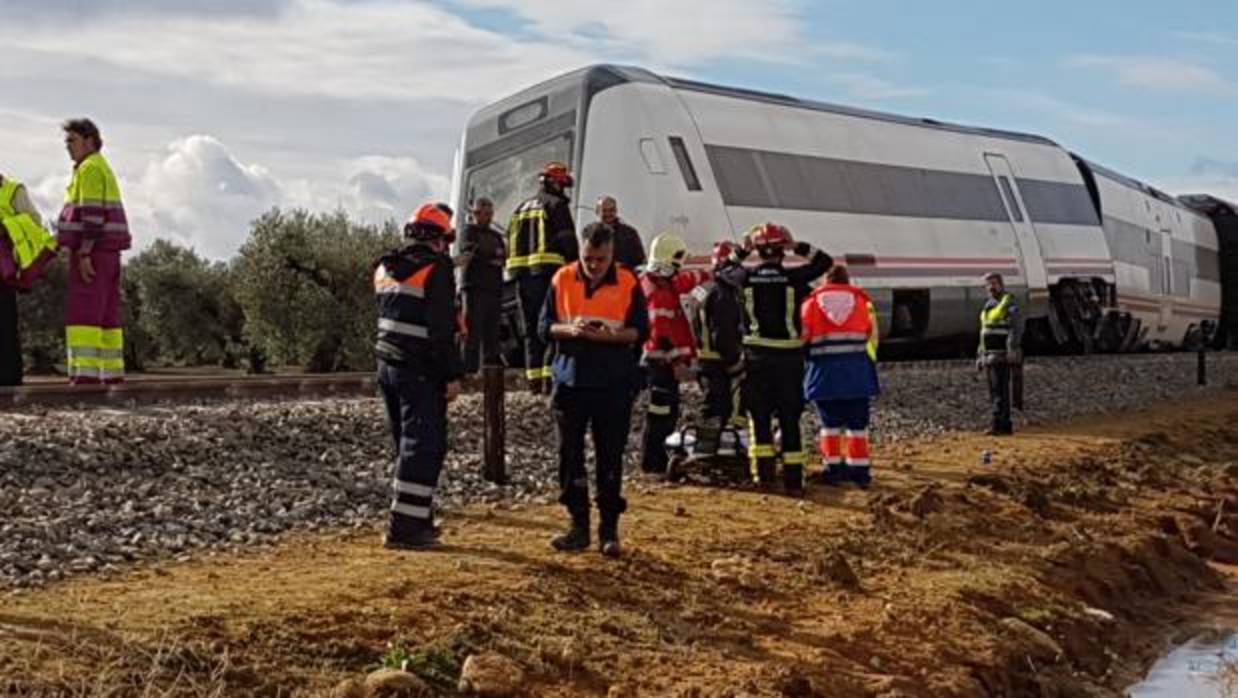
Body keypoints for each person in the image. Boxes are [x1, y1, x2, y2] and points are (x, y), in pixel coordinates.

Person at [539, 222, 648, 557]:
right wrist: (571, 330)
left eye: (600, 259)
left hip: (613, 382)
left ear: (612, 253)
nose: (594, 265)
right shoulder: (562, 278)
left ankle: (609, 531)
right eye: (588, 258)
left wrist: (608, 337)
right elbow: (544, 328)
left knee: (610, 457)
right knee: (568, 456)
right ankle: (578, 525)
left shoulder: (628, 281)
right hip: (570, 380)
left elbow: (639, 332)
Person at [374, 203, 464, 549]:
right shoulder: (436, 268)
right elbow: (441, 331)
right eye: (446, 240)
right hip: (420, 370)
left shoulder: (385, 267)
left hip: (387, 366)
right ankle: (406, 529)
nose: (447, 247)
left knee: (406, 444)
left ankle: (417, 518)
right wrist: (452, 375)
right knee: (425, 446)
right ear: (436, 239)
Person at [723, 223, 832, 495]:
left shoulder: (744, 277)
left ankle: (764, 477)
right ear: (782, 251)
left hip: (756, 357)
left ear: (758, 251)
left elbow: (721, 270)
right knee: (789, 418)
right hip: (789, 358)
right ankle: (794, 480)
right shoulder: (795, 279)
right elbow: (825, 262)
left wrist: (741, 251)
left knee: (759, 418)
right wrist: (797, 246)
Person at [57, 119, 131, 385]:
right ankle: (112, 375)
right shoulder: (101, 167)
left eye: (71, 141)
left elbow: (92, 214)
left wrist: (85, 253)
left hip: (94, 252)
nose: (67, 147)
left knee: (84, 312)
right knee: (108, 316)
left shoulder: (88, 169)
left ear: (89, 140)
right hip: (109, 253)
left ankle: (84, 375)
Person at [639, 231, 710, 474]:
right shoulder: (657, 292)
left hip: (663, 363)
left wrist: (710, 272)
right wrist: (678, 362)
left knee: (666, 412)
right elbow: (661, 334)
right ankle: (653, 462)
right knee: (661, 414)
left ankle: (655, 461)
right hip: (661, 364)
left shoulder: (660, 282)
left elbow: (685, 280)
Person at [802, 265, 880, 488]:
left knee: (829, 426)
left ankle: (833, 469)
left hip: (823, 375)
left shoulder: (811, 304)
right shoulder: (862, 303)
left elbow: (803, 335)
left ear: (826, 281)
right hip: (857, 375)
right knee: (857, 427)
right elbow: (871, 335)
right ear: (847, 281)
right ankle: (860, 471)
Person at [506, 162, 579, 393]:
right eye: (562, 184)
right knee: (550, 327)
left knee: (529, 331)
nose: (564, 190)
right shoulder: (556, 205)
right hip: (548, 276)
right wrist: (576, 269)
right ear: (554, 183)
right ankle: (551, 382)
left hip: (521, 280)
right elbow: (568, 242)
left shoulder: (520, 208)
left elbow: (509, 241)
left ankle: (534, 383)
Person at [689, 240, 745, 457]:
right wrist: (733, 361)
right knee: (720, 407)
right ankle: (716, 453)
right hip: (719, 361)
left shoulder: (700, 290)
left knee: (709, 406)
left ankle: (706, 451)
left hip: (703, 357)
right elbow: (723, 333)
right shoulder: (723, 294)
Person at [0, 172, 55, 387]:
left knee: (4, 321)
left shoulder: (14, 190)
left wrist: (6, 227)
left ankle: (8, 377)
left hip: (4, 269)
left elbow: (34, 222)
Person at [458, 197, 506, 375]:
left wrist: (492, 256)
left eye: (490, 214)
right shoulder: (469, 231)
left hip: (494, 288)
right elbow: (472, 253)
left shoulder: (496, 236)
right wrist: (490, 257)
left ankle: (491, 369)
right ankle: (469, 370)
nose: (487, 217)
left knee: (492, 331)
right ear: (475, 214)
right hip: (474, 287)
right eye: (483, 213)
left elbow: (502, 256)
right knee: (472, 331)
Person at [977, 272, 1022, 436]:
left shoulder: (1008, 301)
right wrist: (980, 355)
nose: (991, 287)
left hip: (1002, 354)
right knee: (995, 391)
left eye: (994, 283)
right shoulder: (988, 305)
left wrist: (1012, 349)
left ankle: (999, 425)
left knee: (1000, 391)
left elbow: (1016, 327)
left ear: (1001, 284)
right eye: (988, 284)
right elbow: (983, 332)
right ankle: (1004, 425)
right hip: (989, 355)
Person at [596, 196, 646, 270]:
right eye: (604, 210)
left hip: (624, 277)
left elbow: (640, 261)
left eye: (611, 210)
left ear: (616, 211)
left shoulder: (630, 233)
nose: (608, 214)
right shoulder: (590, 233)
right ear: (597, 212)